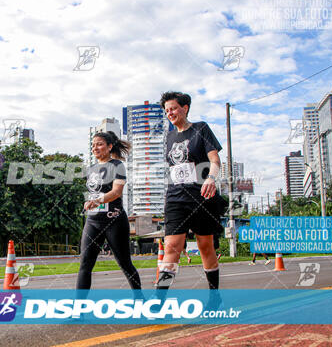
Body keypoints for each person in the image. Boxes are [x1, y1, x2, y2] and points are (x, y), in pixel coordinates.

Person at [156, 91, 226, 292]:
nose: (170, 113)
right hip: (176, 197)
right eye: (167, 110)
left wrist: (211, 178)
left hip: (201, 196)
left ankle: (214, 297)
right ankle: (159, 300)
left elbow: (214, 160)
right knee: (171, 247)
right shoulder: (169, 137)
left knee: (205, 247)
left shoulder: (201, 128)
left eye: (174, 108)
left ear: (185, 108)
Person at [76, 131, 141, 290]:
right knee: (85, 264)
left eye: (99, 144)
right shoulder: (91, 169)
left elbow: (117, 192)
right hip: (93, 222)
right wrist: (90, 202)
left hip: (114, 221)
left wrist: (97, 201)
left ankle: (140, 300)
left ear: (109, 146)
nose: (95, 148)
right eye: (93, 145)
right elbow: (94, 192)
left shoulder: (117, 165)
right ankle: (79, 311)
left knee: (125, 264)